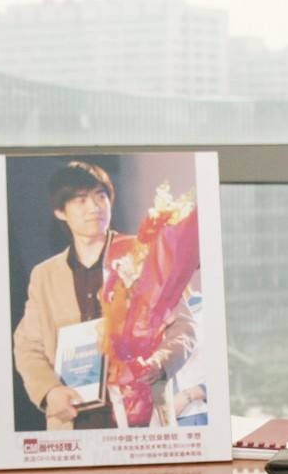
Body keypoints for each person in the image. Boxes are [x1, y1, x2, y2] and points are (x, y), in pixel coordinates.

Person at [12, 161, 196, 430]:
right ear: (60, 212)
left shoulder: (142, 255)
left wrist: (159, 363)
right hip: (74, 423)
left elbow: (184, 327)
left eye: (101, 196)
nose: (94, 207)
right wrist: (50, 391)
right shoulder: (44, 276)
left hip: (141, 418)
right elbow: (28, 346)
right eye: (81, 200)